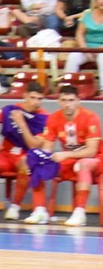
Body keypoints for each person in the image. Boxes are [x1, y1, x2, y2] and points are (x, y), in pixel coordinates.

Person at [0, 88, 56, 224]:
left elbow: (33, 145)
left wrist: (22, 124)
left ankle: (15, 206)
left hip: (25, 155)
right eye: (33, 97)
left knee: (27, 163)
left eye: (40, 99)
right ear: (25, 96)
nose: (36, 102)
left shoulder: (45, 118)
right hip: (5, 153)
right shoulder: (10, 109)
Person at [42, 86, 100, 227]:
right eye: (64, 100)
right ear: (58, 101)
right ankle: (40, 210)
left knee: (82, 164)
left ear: (78, 101)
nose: (68, 104)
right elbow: (47, 147)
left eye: (71, 100)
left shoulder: (90, 117)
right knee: (41, 166)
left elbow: (91, 151)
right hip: (71, 160)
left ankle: (79, 213)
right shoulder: (53, 118)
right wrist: (40, 158)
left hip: (96, 159)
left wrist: (65, 154)